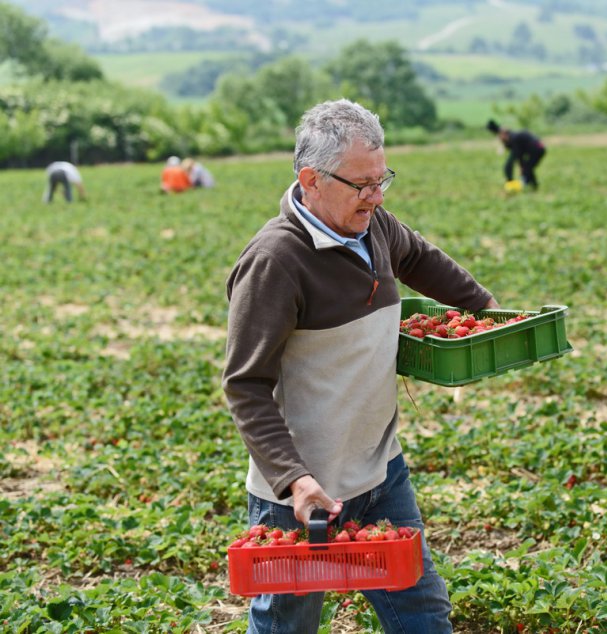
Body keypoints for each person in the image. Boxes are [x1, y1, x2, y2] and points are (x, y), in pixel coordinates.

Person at [223, 98, 500, 634]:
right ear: (311, 179)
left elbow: (418, 257)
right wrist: (295, 482)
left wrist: (488, 311)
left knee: (422, 613)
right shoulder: (275, 262)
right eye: (361, 184)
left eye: (382, 180)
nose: (375, 196)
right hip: (301, 493)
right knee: (288, 626)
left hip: (379, 470)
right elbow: (245, 386)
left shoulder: (374, 226)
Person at [486, 119, 546, 190]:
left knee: (526, 168)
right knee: (526, 168)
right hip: (535, 149)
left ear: (504, 134)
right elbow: (518, 153)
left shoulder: (514, 139)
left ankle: (528, 185)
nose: (500, 139)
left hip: (537, 149)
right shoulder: (512, 137)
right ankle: (530, 185)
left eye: (500, 137)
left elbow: (518, 154)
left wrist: (521, 166)